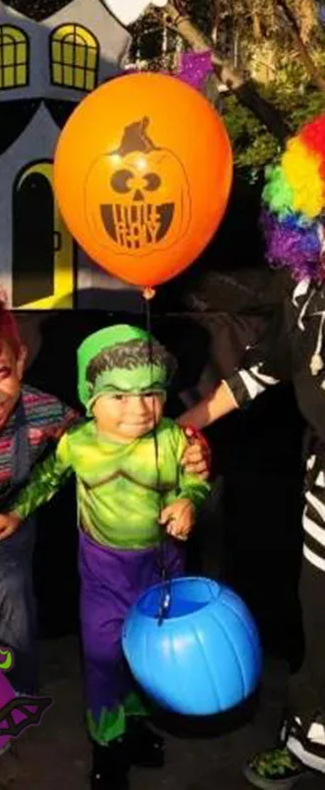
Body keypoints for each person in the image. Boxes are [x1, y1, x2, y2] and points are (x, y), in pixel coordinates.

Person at [0, 279, 210, 697]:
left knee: (15, 606)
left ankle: (15, 696)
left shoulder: (43, 411)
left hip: (9, 520)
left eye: (0, 373)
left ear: (20, 360)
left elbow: (104, 438)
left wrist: (187, 450)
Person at [0, 324, 210, 789]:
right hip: (103, 574)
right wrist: (16, 510)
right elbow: (48, 478)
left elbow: (195, 480)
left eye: (150, 393)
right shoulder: (78, 443)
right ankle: (107, 742)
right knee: (104, 655)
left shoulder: (174, 438)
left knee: (151, 654)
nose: (139, 409)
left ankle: (136, 724)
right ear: (90, 397)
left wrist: (188, 500)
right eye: (119, 396)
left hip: (162, 570)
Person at [179, 113, 325, 789]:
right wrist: (187, 422)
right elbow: (262, 370)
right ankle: (311, 743)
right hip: (323, 494)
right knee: (319, 623)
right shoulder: (304, 291)